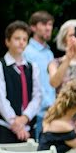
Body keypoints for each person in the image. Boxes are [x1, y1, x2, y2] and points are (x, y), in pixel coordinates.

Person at [0, 21, 43, 143]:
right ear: (7, 41)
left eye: (24, 39)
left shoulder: (32, 67)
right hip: (7, 126)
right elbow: (0, 99)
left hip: (29, 126)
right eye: (17, 38)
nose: (21, 42)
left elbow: (38, 96)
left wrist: (25, 118)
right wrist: (15, 123)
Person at [24, 10, 56, 138]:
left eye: (50, 24)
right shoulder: (26, 51)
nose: (48, 28)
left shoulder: (49, 52)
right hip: (35, 114)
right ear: (33, 27)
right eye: (44, 24)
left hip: (52, 112)